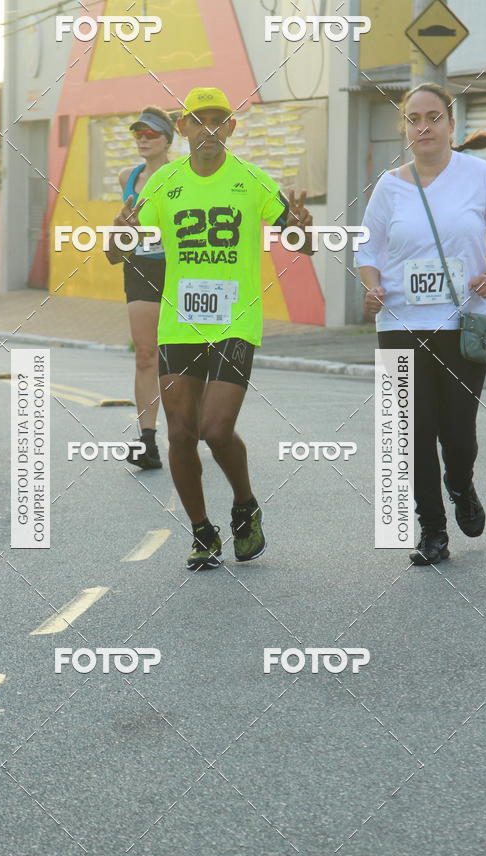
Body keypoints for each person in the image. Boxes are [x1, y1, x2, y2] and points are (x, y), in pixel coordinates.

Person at [113, 87, 314, 570]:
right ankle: (203, 532)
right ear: (182, 129)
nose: (207, 129)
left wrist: (303, 229)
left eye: (217, 121)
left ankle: (244, 504)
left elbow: (301, 245)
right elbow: (118, 252)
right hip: (179, 323)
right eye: (197, 121)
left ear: (230, 129)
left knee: (216, 429)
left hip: (235, 320)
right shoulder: (163, 184)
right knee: (181, 433)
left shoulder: (253, 181)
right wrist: (120, 232)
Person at [358, 82, 486, 565]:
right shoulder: (389, 186)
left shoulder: (479, 176)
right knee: (411, 432)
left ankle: (460, 485)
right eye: (412, 119)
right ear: (404, 127)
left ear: (450, 123)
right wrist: (371, 286)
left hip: (465, 322)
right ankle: (432, 531)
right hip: (400, 322)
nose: (422, 126)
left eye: (432, 117)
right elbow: (368, 251)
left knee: (458, 432)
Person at [105, 106, 176, 469]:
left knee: (182, 355)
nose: (143, 140)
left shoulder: (183, 175)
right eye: (138, 134)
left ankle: (189, 431)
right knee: (146, 353)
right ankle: (148, 442)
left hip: (179, 267)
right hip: (140, 266)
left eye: (151, 134)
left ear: (167, 139)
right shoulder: (127, 177)